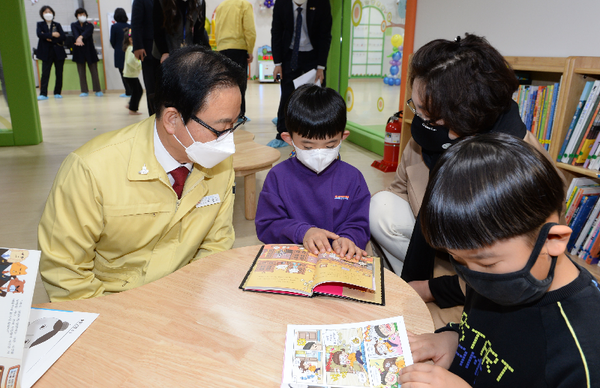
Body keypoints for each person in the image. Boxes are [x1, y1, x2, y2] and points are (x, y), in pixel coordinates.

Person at [369, 34, 563, 309]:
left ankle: (460, 287)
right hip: (441, 242)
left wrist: (433, 289)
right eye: (417, 108)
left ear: (467, 115)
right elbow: (397, 190)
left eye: (430, 115)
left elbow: (522, 260)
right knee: (380, 206)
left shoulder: (520, 166)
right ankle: (429, 277)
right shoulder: (430, 137)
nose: (421, 121)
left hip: (493, 261)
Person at [38, 45, 246, 302]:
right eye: (220, 128)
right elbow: (66, 273)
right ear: (172, 119)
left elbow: (215, 247)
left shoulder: (218, 163)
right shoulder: (90, 170)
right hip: (109, 305)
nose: (228, 140)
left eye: (235, 123)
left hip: (185, 301)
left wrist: (191, 301)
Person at [398, 133, 600, 387]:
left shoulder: (584, 355)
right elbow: (487, 335)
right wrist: (453, 339)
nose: (472, 276)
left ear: (553, 240)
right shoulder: (493, 270)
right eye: (457, 259)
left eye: (487, 264)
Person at [255, 85, 370, 259]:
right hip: (292, 259)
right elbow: (267, 225)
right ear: (289, 139)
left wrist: (349, 238)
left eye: (330, 146)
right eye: (308, 146)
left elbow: (359, 223)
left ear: (343, 137)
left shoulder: (353, 178)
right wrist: (303, 232)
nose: (319, 153)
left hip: (338, 260)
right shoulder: (278, 177)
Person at [267, 0, 332, 148]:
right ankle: (283, 133)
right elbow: (276, 32)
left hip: (313, 55)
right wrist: (278, 64)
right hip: (289, 54)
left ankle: (322, 133)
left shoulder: (321, 3)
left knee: (317, 96)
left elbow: (325, 36)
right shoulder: (282, 3)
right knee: (287, 94)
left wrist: (321, 66)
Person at [214, 0, 256, 120]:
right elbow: (250, 30)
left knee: (224, 82)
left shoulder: (220, 6)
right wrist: (250, 49)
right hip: (238, 48)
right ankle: (238, 114)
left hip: (222, 48)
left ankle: (225, 113)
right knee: (239, 83)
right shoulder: (244, 5)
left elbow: (216, 28)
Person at [153, 0, 208, 64]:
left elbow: (199, 31)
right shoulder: (161, 2)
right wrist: (164, 52)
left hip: (187, 50)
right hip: (165, 50)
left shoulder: (199, 3)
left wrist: (196, 51)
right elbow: (158, 30)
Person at [131, 0, 161, 116]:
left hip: (166, 46)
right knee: (152, 86)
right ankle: (153, 117)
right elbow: (136, 23)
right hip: (148, 49)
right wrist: (138, 46)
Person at [36, 5, 66, 100]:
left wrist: (49, 38)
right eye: (46, 12)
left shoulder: (57, 24)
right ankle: (43, 93)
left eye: (50, 12)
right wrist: (52, 34)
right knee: (45, 73)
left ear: (53, 13)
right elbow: (39, 34)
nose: (48, 14)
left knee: (59, 73)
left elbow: (62, 37)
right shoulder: (40, 24)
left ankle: (57, 92)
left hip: (58, 52)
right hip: (46, 53)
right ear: (42, 14)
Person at [71, 8, 103, 97]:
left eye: (83, 14)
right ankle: (84, 90)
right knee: (81, 72)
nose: (82, 16)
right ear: (77, 16)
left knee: (94, 72)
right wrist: (78, 38)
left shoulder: (90, 25)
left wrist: (80, 37)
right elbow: (75, 32)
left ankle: (97, 90)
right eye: (80, 15)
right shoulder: (73, 25)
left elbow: (87, 32)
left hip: (90, 51)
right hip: (79, 51)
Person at [109, 8, 131, 98]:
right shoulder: (130, 26)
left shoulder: (114, 27)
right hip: (129, 52)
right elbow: (131, 39)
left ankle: (128, 91)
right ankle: (131, 90)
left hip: (119, 52)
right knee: (130, 73)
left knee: (123, 74)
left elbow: (112, 41)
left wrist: (117, 48)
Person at [122, 29, 143, 115]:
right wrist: (139, 65)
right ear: (131, 40)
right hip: (130, 75)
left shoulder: (129, 48)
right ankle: (132, 109)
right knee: (138, 91)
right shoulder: (131, 49)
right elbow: (130, 61)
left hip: (130, 75)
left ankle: (131, 104)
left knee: (137, 91)